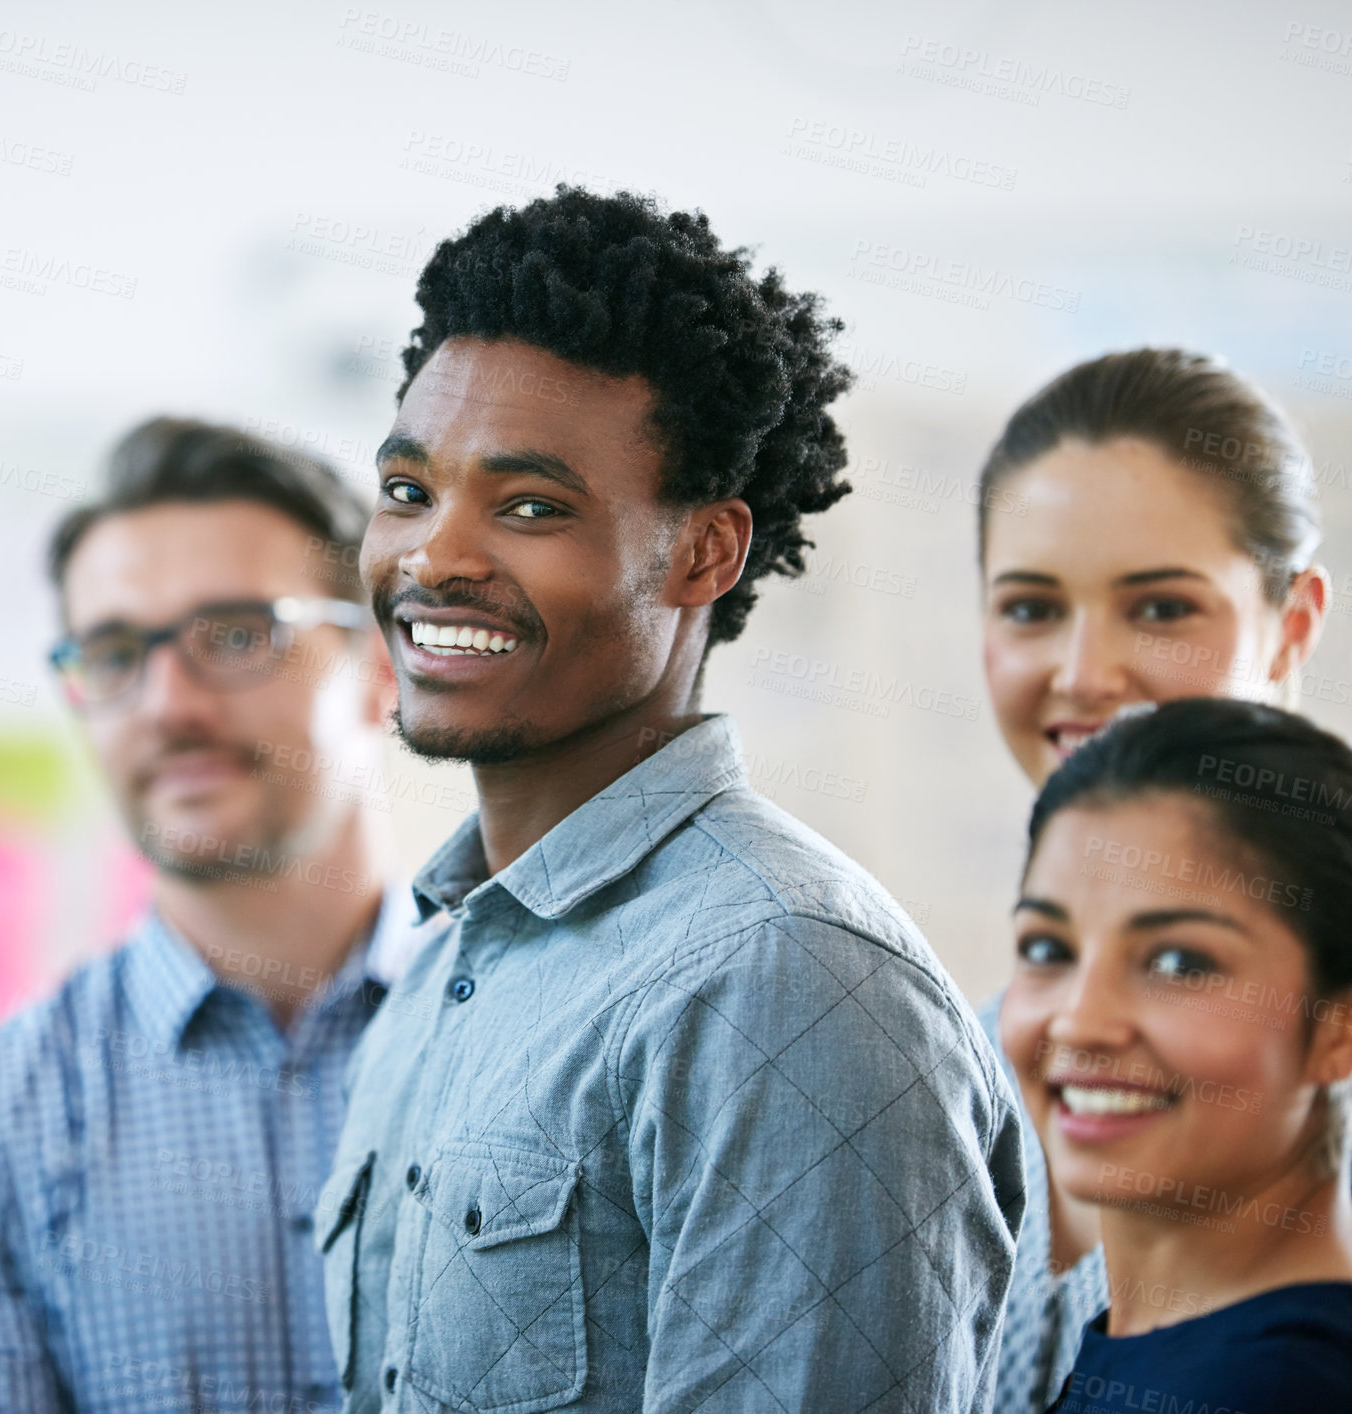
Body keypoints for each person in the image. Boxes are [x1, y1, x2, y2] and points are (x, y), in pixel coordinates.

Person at [322, 186, 1024, 1414]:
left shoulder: (786, 978)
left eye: (532, 505)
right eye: (407, 489)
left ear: (703, 552)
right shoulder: (440, 975)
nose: (434, 556)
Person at [0, 419, 423, 1413]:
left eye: (239, 634)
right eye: (115, 652)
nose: (169, 703)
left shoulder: (571, 1044)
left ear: (381, 666)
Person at [973, 348, 1332, 1411]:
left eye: (1161, 608)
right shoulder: (985, 1050)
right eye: (1031, 607)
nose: (1084, 672)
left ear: (1293, 624)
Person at [1000, 697, 1352, 1412]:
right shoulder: (1162, 1347)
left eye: (1180, 963)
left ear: (1338, 1028)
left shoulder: (1283, 1389)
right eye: (1048, 949)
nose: (1080, 1021)